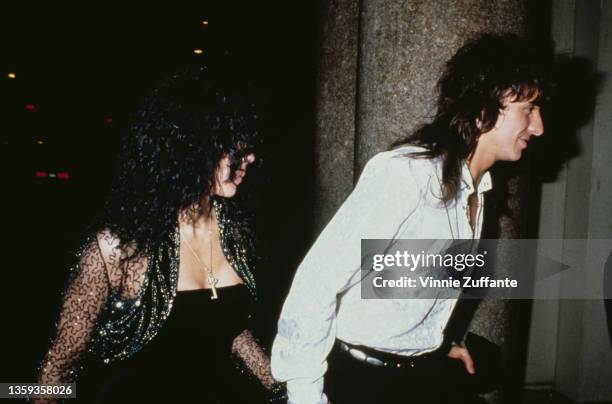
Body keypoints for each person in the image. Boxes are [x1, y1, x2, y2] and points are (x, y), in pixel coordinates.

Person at [271, 33, 550, 404]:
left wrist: (433, 341)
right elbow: (316, 284)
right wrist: (305, 395)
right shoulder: (407, 175)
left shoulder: (479, 192)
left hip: (418, 372)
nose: (539, 126)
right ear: (483, 111)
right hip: (362, 381)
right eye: (528, 110)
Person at [36, 64, 285, 403]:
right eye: (234, 148)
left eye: (248, 146)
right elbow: (56, 371)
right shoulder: (118, 249)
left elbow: (226, 327)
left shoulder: (235, 230)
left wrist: (284, 387)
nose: (250, 157)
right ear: (189, 149)